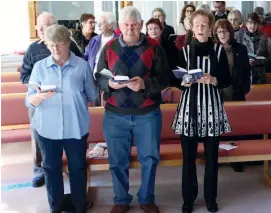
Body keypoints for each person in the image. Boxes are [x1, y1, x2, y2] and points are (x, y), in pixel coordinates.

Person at [95, 6, 169, 213]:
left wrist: (144, 85)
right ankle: (121, 200)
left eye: (134, 25)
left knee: (150, 159)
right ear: (119, 26)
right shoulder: (109, 47)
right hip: (115, 115)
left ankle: (146, 198)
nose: (130, 29)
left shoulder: (155, 48)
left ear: (141, 25)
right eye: (126, 25)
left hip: (147, 114)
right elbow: (99, 78)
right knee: (117, 161)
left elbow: (165, 80)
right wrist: (109, 85)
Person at [25, 24, 97, 213]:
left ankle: (79, 206)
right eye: (51, 45)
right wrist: (38, 97)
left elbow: (91, 94)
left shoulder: (81, 66)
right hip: (47, 128)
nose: (55, 49)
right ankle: (55, 207)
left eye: (60, 44)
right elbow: (29, 100)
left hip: (76, 127)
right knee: (51, 170)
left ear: (68, 43)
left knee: (78, 169)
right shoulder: (40, 67)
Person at [171, 9, 232, 213]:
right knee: (188, 159)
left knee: (212, 158)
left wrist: (213, 79)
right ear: (191, 27)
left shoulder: (218, 50)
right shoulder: (185, 51)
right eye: (197, 25)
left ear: (210, 28)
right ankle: (188, 199)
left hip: (212, 109)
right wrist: (184, 82)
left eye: (204, 25)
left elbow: (226, 80)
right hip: (189, 109)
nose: (200, 28)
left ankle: (210, 198)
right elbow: (177, 80)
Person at [20, 11, 82, 188]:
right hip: (41, 102)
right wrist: (36, 87)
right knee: (39, 137)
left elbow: (80, 65)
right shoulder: (33, 49)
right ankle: (40, 170)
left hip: (65, 101)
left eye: (47, 27)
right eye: (40, 28)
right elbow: (24, 75)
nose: (44, 31)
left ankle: (69, 168)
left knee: (68, 135)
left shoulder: (70, 45)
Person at [213, 19, 251, 173]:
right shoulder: (213, 49)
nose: (222, 34)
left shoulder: (240, 49)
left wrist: (244, 88)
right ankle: (219, 157)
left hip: (235, 92)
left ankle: (237, 159)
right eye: (219, 31)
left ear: (230, 32)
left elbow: (246, 70)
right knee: (218, 126)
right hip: (217, 93)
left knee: (235, 127)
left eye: (225, 31)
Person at [235, 12, 271, 84]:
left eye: (255, 23)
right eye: (250, 22)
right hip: (243, 72)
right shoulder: (238, 35)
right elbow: (234, 55)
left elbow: (269, 56)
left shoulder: (264, 37)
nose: (252, 25)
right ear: (246, 23)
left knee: (259, 94)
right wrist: (245, 61)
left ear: (258, 24)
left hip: (259, 74)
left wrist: (258, 61)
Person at [84, 12, 118, 77]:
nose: (98, 25)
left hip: (111, 78)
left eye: (101, 23)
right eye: (98, 23)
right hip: (93, 77)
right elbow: (85, 57)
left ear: (110, 25)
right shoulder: (94, 40)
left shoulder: (119, 41)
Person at [146, 18, 178, 86]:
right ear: (147, 32)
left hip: (168, 80)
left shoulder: (170, 46)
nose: (153, 31)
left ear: (161, 30)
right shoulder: (144, 47)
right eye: (150, 29)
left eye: (156, 28)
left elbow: (174, 66)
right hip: (150, 82)